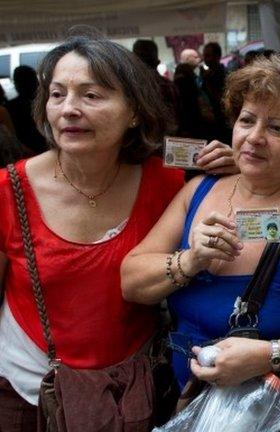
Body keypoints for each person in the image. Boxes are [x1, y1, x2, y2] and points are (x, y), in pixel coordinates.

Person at [121, 56, 280, 427]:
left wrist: (266, 355)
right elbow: (131, 281)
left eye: (276, 128)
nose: (254, 137)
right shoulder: (199, 190)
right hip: (184, 407)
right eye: (246, 120)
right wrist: (190, 260)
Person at [0, 34, 235, 431]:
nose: (69, 109)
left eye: (91, 96)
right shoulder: (9, 191)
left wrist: (237, 175)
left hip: (134, 389)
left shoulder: (169, 183)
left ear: (134, 112)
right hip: (29, 391)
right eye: (57, 94)